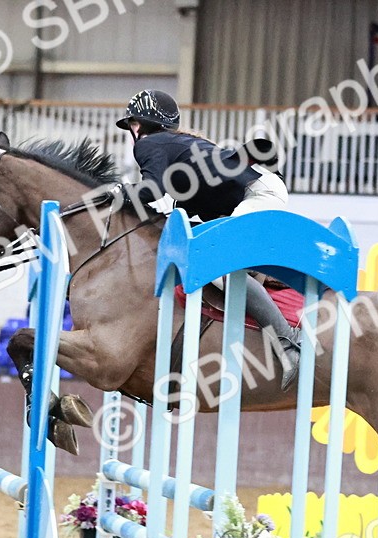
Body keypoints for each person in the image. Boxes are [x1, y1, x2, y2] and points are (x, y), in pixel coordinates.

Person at [115, 89, 299, 390]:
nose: (132, 132)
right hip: (262, 189)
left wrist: (117, 194)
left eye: (132, 125)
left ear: (139, 125)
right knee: (224, 266)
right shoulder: (181, 147)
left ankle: (289, 345)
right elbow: (181, 215)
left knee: (222, 269)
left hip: (258, 194)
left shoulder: (150, 144)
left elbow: (150, 192)